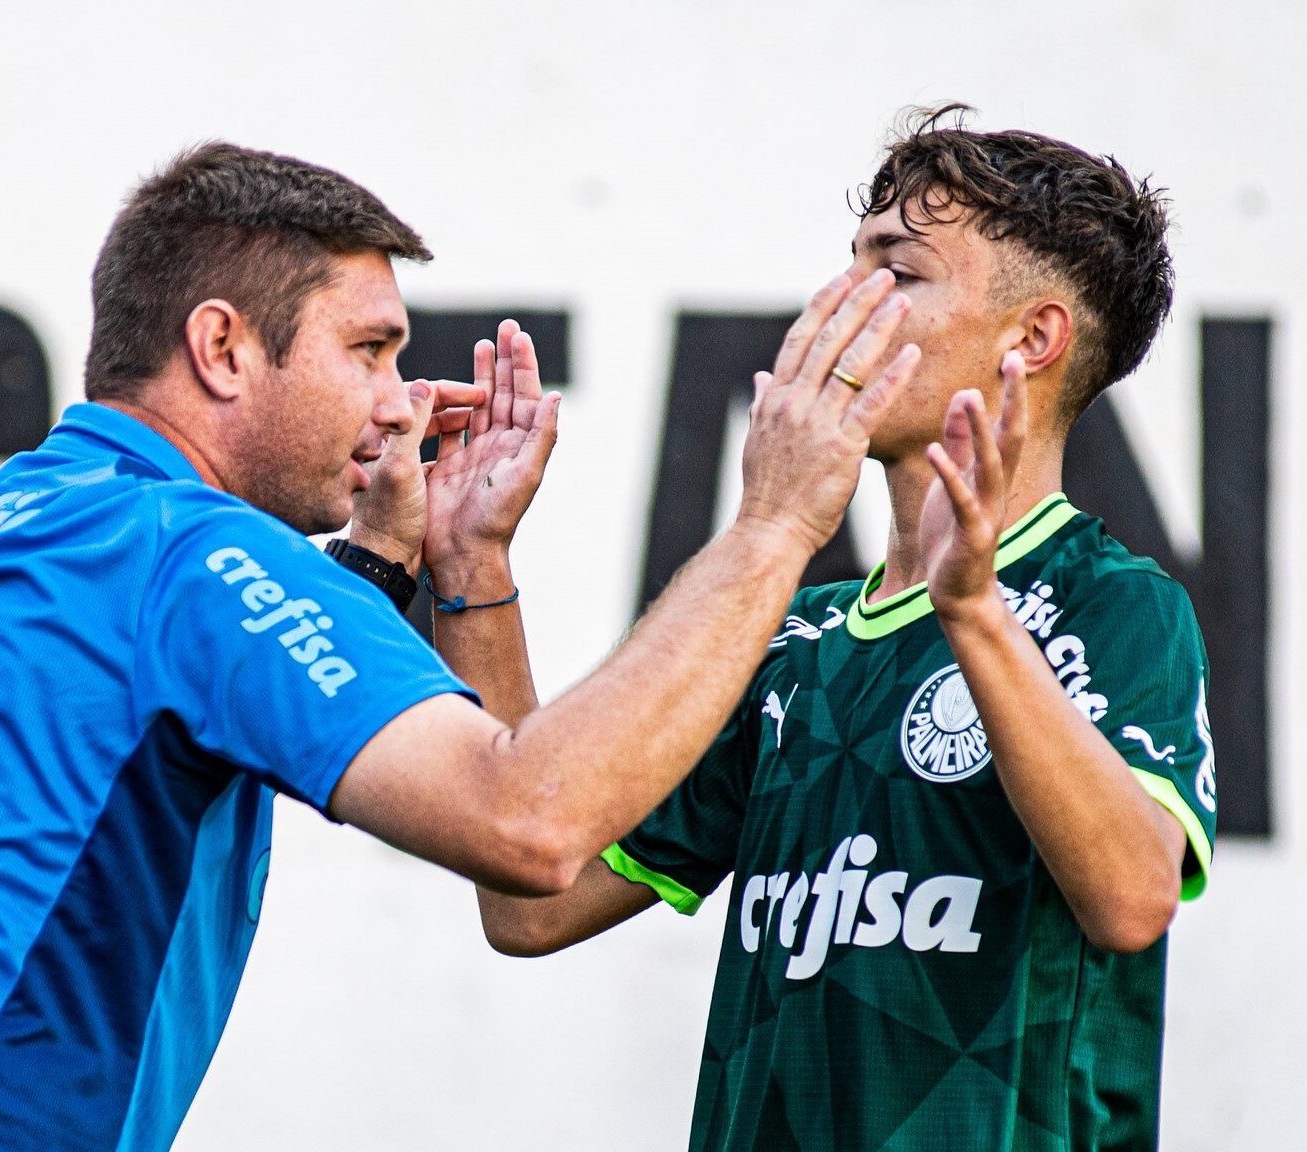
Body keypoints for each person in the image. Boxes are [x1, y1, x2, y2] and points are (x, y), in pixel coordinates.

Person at [0, 143, 922, 1152]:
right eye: (368, 351)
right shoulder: (192, 558)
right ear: (223, 348)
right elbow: (528, 827)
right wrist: (775, 524)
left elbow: (149, 720)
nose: (399, 404)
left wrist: (400, 561)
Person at [475, 107, 1214, 1150]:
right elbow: (528, 906)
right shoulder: (794, 640)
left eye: (896, 272)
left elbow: (1132, 900)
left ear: (1032, 338)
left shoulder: (1113, 601)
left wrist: (971, 613)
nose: (838, 304)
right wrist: (474, 570)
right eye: (849, 263)